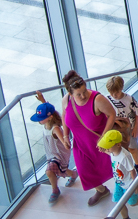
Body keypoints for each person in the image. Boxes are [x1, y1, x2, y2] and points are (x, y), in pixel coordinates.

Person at [47, 71, 117, 206]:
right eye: (78, 94)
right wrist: (66, 135)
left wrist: (104, 137)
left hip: (100, 142)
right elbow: (64, 116)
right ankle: (101, 190)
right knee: (84, 171)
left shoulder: (97, 99)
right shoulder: (66, 100)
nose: (83, 95)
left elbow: (112, 114)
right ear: (71, 93)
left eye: (84, 91)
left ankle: (127, 188)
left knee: (115, 167)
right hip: (80, 143)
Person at [30, 100, 78, 204]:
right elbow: (49, 109)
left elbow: (64, 141)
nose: (39, 121)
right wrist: (43, 100)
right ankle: (73, 174)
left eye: (41, 118)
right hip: (52, 154)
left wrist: (67, 144)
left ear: (50, 117)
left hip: (59, 155)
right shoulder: (46, 125)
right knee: (62, 170)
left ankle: (55, 190)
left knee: (49, 171)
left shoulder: (55, 129)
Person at [99, 129, 138, 215]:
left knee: (132, 203)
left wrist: (136, 186)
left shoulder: (124, 156)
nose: (107, 148)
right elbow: (109, 153)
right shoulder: (112, 152)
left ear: (118, 144)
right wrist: (103, 149)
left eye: (108, 146)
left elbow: (132, 171)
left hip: (130, 185)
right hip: (119, 183)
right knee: (118, 203)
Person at [104, 76, 138, 170]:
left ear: (121, 88)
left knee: (133, 148)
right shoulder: (107, 100)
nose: (114, 95)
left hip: (130, 128)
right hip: (116, 129)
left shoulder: (129, 99)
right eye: (111, 93)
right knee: (118, 150)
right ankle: (125, 167)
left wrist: (136, 127)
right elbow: (105, 114)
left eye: (116, 92)